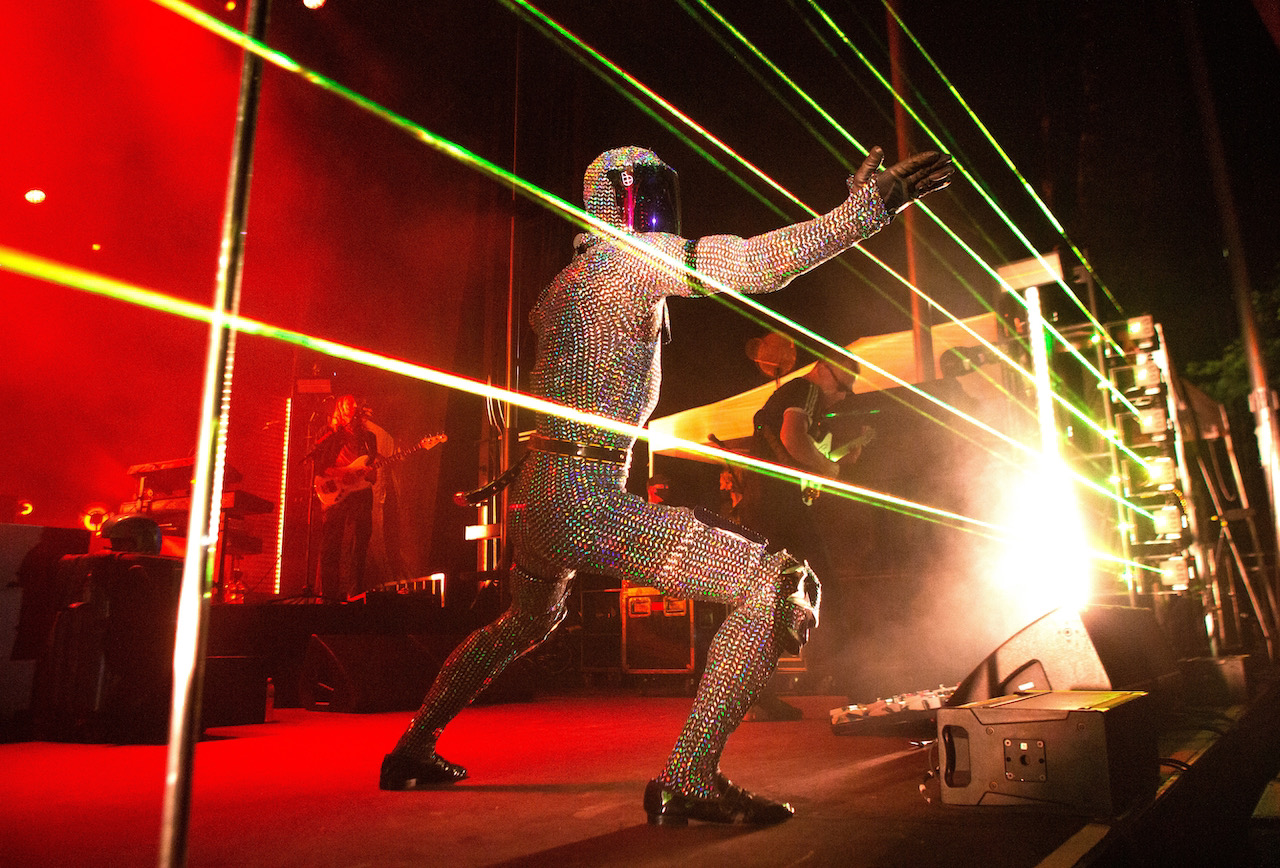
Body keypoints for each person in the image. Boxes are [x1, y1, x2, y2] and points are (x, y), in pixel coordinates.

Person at [380, 144, 952, 825]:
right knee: (774, 586)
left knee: (524, 622)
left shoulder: (563, 286)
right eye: (650, 196)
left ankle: (413, 748)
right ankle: (689, 776)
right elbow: (753, 265)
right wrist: (864, 211)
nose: (660, 214)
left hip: (545, 493)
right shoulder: (630, 262)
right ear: (624, 199)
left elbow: (568, 396)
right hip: (587, 496)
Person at [740, 357, 874, 699]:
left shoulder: (797, 396)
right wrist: (828, 469)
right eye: (841, 387)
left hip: (764, 508)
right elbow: (792, 438)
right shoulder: (806, 389)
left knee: (771, 602)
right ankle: (852, 686)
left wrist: (832, 462)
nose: (843, 397)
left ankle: (759, 696)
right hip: (782, 511)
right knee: (824, 588)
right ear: (823, 369)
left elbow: (795, 452)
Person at [311, 394, 378, 600]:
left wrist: (369, 473)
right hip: (336, 491)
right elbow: (320, 467)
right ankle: (329, 594)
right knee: (332, 541)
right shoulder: (328, 433)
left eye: (355, 403)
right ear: (340, 407)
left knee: (360, 541)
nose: (354, 406)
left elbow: (373, 471)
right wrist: (343, 474)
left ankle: (355, 592)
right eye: (349, 403)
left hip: (361, 493)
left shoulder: (369, 437)